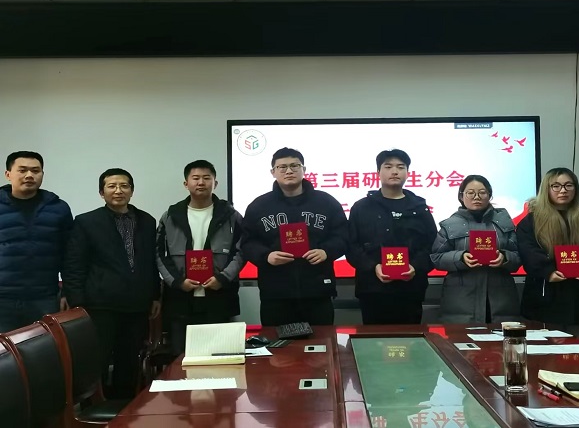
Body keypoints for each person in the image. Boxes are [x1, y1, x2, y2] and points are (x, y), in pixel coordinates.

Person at [63, 168, 161, 399]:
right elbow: (74, 264)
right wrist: (77, 303)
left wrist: (155, 295)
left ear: (132, 191)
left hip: (137, 305)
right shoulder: (87, 222)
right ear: (102, 192)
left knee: (129, 361)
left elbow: (151, 261)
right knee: (96, 360)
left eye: (124, 186)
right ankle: (93, 408)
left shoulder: (147, 221)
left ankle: (123, 407)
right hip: (100, 305)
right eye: (112, 186)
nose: (118, 191)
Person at [241, 148, 348, 326]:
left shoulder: (326, 202)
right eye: (282, 167)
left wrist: (326, 252)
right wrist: (266, 256)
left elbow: (343, 235)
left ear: (303, 169)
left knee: (322, 341)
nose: (289, 171)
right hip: (275, 293)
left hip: (317, 291)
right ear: (273, 172)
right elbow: (247, 242)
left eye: (294, 166)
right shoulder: (258, 206)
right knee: (277, 342)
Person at [517, 168, 579, 343]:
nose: (563, 190)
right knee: (544, 354)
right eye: (556, 186)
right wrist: (547, 271)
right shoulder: (532, 221)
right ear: (546, 189)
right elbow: (527, 251)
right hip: (545, 298)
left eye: (568, 185)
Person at [156, 160, 244, 355]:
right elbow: (159, 253)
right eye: (195, 178)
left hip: (219, 297)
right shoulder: (170, 215)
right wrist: (177, 282)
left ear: (215, 183)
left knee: (221, 357)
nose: (201, 182)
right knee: (181, 358)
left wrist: (223, 278)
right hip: (181, 299)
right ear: (186, 183)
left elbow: (241, 251)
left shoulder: (231, 215)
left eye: (206, 178)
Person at [347, 149, 437, 325]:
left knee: (410, 339)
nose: (395, 171)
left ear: (407, 172)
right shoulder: (361, 207)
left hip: (411, 289)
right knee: (374, 339)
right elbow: (351, 246)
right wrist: (373, 267)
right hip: (372, 289)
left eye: (400, 167)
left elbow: (433, 245)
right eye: (388, 167)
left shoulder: (419, 207)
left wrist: (415, 266)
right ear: (378, 172)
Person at [430, 175, 521, 324]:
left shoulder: (504, 223)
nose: (476, 197)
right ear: (461, 196)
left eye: (482, 192)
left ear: (490, 195)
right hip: (461, 302)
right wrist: (460, 258)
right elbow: (436, 257)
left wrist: (505, 257)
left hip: (500, 300)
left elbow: (519, 256)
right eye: (470, 193)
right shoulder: (450, 225)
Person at [0, 151, 73, 333]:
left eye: (35, 171)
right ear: (8, 174)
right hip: (3, 299)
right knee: (3, 350)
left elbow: (70, 254)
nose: (29, 175)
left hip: (45, 298)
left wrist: (68, 292)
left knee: (45, 348)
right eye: (22, 170)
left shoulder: (58, 208)